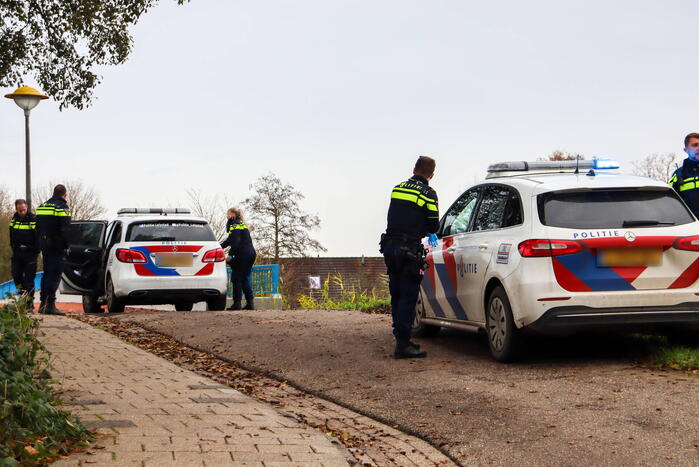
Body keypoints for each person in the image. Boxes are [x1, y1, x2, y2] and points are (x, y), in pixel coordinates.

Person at [380, 156, 440, 359]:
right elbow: (434, 226)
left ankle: (399, 335)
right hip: (409, 250)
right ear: (431, 175)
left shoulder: (397, 188)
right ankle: (403, 344)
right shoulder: (429, 193)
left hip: (390, 246)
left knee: (396, 292)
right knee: (408, 294)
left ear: (414, 169)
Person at [35, 184, 71, 316]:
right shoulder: (62, 207)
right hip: (57, 246)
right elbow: (65, 229)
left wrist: (42, 241)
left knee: (46, 274)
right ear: (64, 195)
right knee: (55, 275)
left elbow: (37, 227)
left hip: (45, 246)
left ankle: (43, 304)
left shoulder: (42, 207)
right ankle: (50, 305)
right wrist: (66, 245)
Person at [221, 208, 257, 310]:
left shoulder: (234, 225)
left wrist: (230, 256)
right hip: (250, 253)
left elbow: (235, 242)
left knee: (236, 278)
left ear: (232, 215)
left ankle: (237, 304)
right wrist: (219, 246)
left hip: (243, 254)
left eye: (227, 214)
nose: (226, 216)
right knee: (244, 278)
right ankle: (250, 304)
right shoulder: (241, 224)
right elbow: (230, 239)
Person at [9, 199, 39, 302]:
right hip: (17, 253)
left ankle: (29, 304)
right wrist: (14, 247)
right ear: (16, 209)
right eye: (20, 210)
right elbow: (11, 235)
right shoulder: (14, 219)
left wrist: (35, 251)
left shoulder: (33, 219)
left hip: (30, 253)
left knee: (29, 280)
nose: (22, 212)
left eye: (24, 210)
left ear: (27, 208)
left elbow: (37, 236)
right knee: (16, 275)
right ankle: (22, 298)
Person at [670, 132, 699, 217]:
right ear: (686, 150)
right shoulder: (678, 174)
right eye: (695, 145)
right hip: (691, 226)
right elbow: (671, 201)